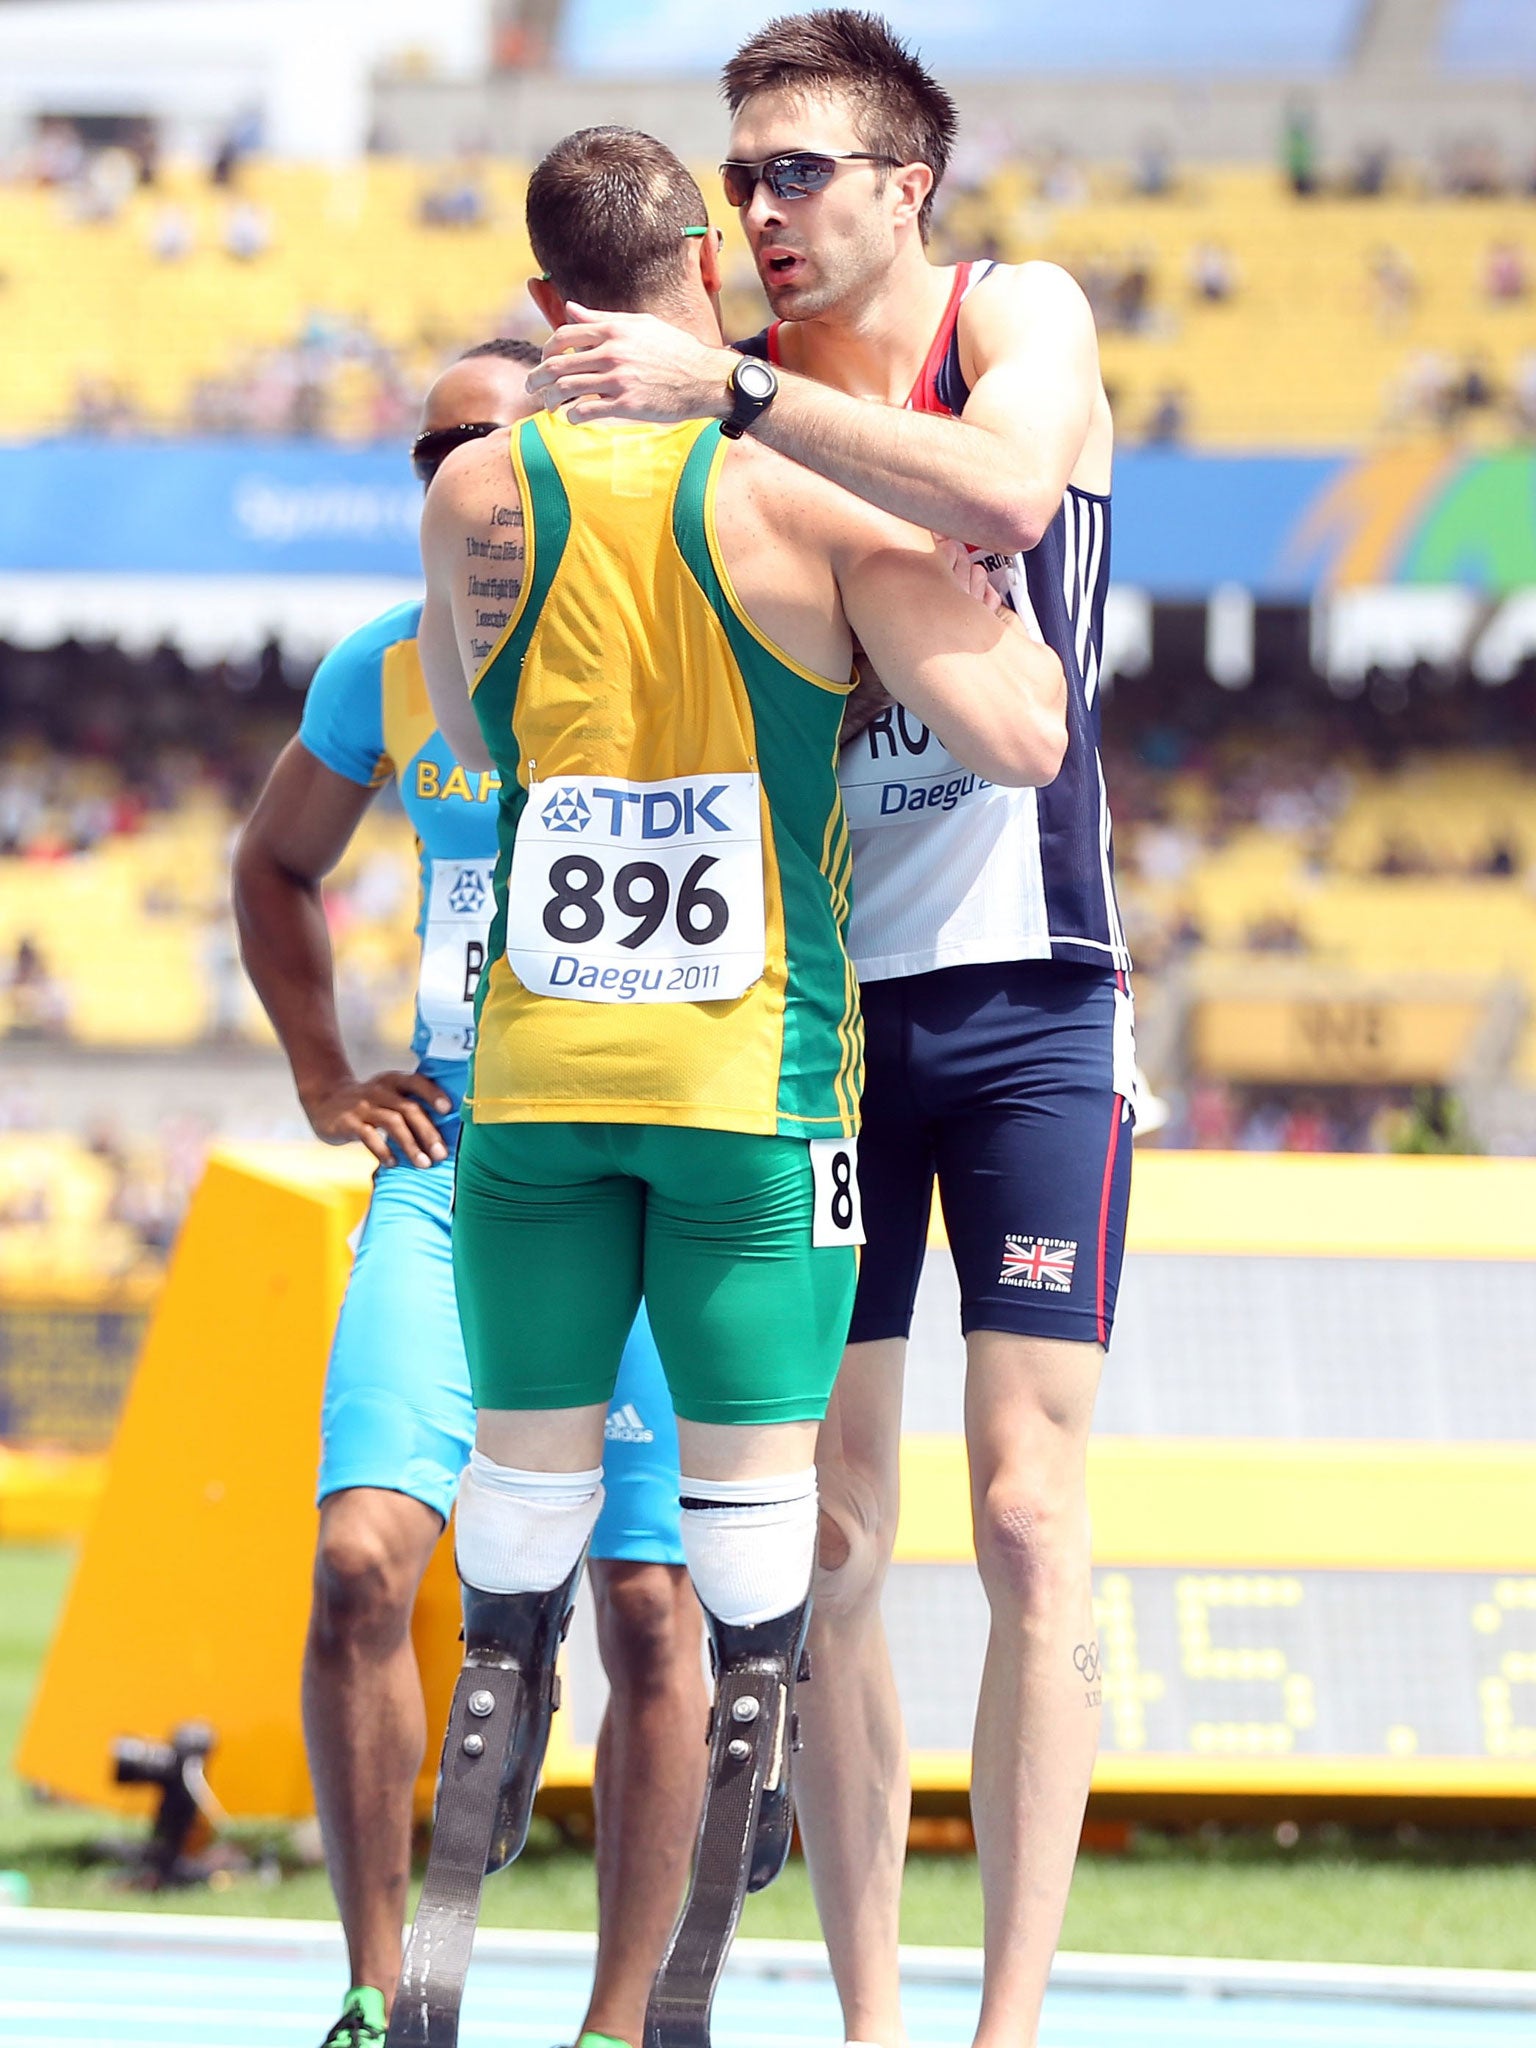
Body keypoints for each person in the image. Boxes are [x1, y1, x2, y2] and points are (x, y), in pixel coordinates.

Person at [408, 122, 1066, 2045]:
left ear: (548, 305)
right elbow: (1024, 738)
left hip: (535, 1083)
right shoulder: (811, 510)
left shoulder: (470, 498)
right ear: (706, 261)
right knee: (756, 1518)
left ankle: (492, 1730)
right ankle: (725, 1828)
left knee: (523, 1497)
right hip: (751, 1091)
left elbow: (463, 735)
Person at [232, 339, 711, 2048]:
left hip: (666, 1169)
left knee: (654, 1606)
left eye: (483, 439)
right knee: (362, 1568)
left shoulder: (703, 632)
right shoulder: (386, 667)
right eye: (427, 444)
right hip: (458, 1177)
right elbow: (276, 864)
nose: (452, 471)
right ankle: (382, 1994)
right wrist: (321, 1076)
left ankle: (618, 2020)